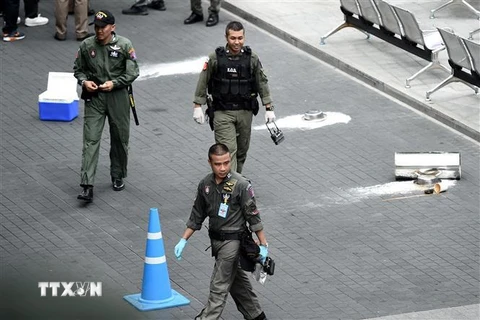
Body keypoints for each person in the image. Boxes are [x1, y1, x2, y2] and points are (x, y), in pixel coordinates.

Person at [174, 143, 269, 320]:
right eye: (218, 164)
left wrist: (263, 244)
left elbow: (253, 216)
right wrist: (183, 240)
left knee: (219, 286)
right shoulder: (205, 184)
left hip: (233, 243)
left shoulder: (241, 184)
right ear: (210, 162)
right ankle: (257, 316)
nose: (223, 168)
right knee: (237, 285)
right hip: (217, 242)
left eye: (226, 162)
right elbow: (197, 215)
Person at [191, 21, 276, 174]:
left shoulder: (252, 58)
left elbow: (261, 82)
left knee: (242, 151)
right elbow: (203, 80)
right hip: (222, 112)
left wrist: (269, 107)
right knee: (229, 151)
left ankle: (237, 179)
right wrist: (197, 105)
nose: (237, 42)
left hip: (245, 112)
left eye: (240, 38)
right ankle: (232, 186)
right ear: (226, 37)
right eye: (233, 38)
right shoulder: (215, 58)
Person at [73, 10, 139, 202]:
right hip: (95, 98)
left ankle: (117, 174)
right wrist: (84, 81)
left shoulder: (125, 45)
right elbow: (78, 69)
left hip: (118, 96)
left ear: (113, 28)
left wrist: (115, 83)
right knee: (90, 139)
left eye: (103, 27)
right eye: (97, 27)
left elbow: (133, 72)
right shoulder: (87, 45)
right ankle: (87, 185)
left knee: (119, 138)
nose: (99, 31)